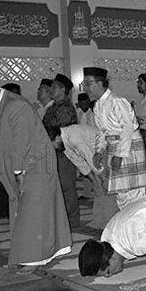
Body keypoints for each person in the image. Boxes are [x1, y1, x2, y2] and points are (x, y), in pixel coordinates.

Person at [0, 72, 72, 271]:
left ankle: (34, 259)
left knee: (33, 213)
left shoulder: (15, 106)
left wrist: (19, 174)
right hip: (21, 166)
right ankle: (30, 254)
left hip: (34, 167)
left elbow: (23, 143)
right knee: (23, 213)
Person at [84, 66, 146, 209]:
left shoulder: (117, 101)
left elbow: (128, 128)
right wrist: (99, 151)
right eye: (84, 84)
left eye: (89, 83)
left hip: (128, 148)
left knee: (133, 193)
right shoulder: (98, 106)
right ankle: (126, 227)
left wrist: (120, 155)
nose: (85, 88)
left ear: (101, 83)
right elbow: (101, 132)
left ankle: (139, 228)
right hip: (115, 148)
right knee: (121, 193)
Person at [43, 73, 80, 231]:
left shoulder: (65, 107)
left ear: (63, 89)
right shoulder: (52, 107)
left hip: (64, 152)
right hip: (52, 151)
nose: (51, 90)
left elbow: (62, 130)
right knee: (56, 187)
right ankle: (61, 219)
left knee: (66, 187)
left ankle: (71, 222)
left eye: (54, 87)